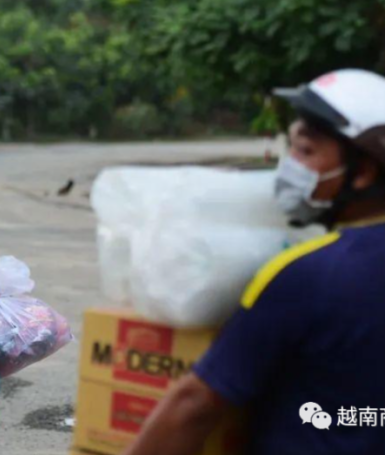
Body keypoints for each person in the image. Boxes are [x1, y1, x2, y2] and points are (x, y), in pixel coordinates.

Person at [123, 69, 385, 455]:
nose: (290, 165)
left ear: (362, 171)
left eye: (306, 151)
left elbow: (195, 405)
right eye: (291, 147)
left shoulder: (307, 273)